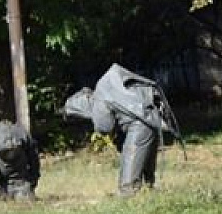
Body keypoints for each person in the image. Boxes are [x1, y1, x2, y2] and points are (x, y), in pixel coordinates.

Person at [64, 64, 181, 196]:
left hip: (139, 122)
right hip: (149, 116)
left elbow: (104, 127)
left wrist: (97, 121)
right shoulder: (106, 88)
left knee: (129, 176)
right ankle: (148, 188)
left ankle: (130, 194)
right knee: (145, 159)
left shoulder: (99, 99)